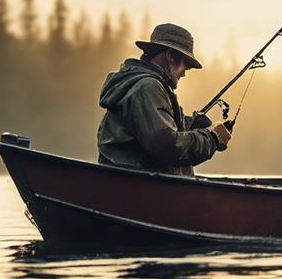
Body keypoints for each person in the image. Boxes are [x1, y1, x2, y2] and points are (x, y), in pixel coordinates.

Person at [97, 23, 231, 176]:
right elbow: (168, 146)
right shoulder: (147, 87)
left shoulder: (143, 85)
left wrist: (193, 125)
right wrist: (212, 138)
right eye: (185, 66)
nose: (184, 74)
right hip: (139, 189)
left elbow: (154, 128)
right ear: (170, 56)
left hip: (133, 186)